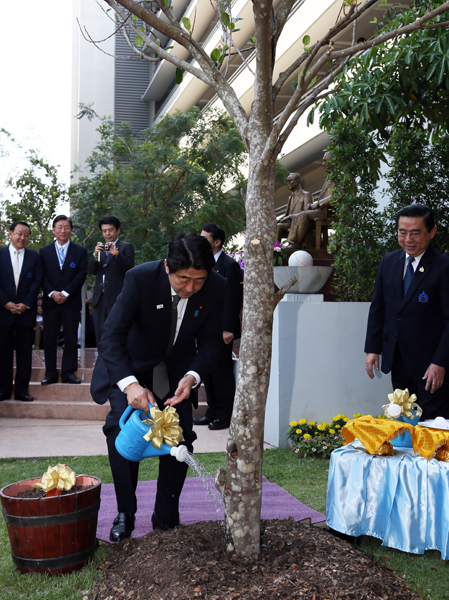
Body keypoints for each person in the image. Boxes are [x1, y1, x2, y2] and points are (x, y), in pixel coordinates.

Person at [90, 232, 226, 541]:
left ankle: (166, 516)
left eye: (198, 281)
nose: (190, 288)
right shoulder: (140, 278)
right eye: (183, 279)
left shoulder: (217, 287)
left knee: (179, 437)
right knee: (121, 433)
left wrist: (192, 377)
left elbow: (210, 344)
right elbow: (111, 336)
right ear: (167, 267)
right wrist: (131, 386)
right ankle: (125, 512)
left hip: (178, 372)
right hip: (131, 366)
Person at [365, 204, 449, 420]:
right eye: (403, 232)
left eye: (415, 232)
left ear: (432, 232)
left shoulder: (443, 266)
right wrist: (373, 349)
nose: (408, 239)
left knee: (432, 426)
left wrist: (440, 363)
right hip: (398, 360)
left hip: (431, 366)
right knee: (402, 422)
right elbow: (379, 308)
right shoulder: (389, 262)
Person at [193, 223, 243, 430]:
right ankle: (212, 412)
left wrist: (228, 328)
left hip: (221, 329)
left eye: (206, 239)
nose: (202, 241)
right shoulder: (201, 263)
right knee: (208, 372)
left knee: (222, 373)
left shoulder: (228, 265)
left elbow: (232, 299)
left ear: (217, 242)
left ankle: (224, 415)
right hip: (204, 328)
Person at [40, 215, 88, 385]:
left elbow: (81, 275)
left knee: (70, 338)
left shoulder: (80, 251)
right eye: (59, 227)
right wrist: (52, 292)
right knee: (49, 338)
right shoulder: (44, 251)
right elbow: (42, 275)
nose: (63, 230)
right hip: (50, 302)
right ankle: (50, 372)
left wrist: (66, 293)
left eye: (66, 227)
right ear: (53, 230)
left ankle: (68, 372)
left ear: (71, 230)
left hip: (71, 302)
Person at [0, 221, 43, 402]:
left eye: (26, 234)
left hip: (26, 312)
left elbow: (37, 283)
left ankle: (21, 391)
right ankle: (3, 390)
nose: (22, 238)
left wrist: (26, 304)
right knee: (3, 352)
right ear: (10, 234)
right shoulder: (0, 254)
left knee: (25, 353)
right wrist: (5, 303)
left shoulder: (35, 257)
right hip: (3, 312)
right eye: (18, 233)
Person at [88, 216, 134, 344]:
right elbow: (92, 271)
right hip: (99, 299)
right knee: (100, 335)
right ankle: (101, 363)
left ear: (118, 230)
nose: (107, 233)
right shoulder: (101, 249)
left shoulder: (126, 247)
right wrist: (95, 255)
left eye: (110, 230)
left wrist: (116, 253)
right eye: (104, 231)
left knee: (116, 333)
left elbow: (129, 269)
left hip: (117, 298)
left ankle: (116, 363)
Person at [276, 173, 313, 248]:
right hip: (289, 222)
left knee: (278, 226)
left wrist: (291, 216)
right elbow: (287, 213)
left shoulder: (306, 195)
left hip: (299, 223)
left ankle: (292, 244)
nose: (287, 183)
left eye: (289, 181)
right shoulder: (290, 197)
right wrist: (280, 218)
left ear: (296, 181)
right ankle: (275, 248)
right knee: (276, 225)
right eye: (287, 181)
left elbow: (307, 213)